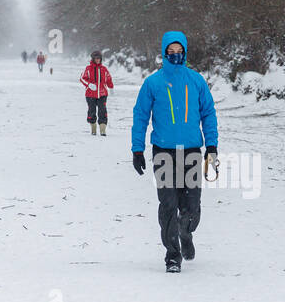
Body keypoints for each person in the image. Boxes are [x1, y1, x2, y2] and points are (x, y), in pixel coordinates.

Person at [131, 31, 218, 273]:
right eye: (171, 51)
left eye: (180, 51)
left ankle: (186, 232)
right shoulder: (153, 83)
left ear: (186, 52)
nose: (176, 55)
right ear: (164, 52)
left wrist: (211, 146)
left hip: (191, 151)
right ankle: (172, 255)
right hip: (163, 153)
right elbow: (140, 117)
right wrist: (137, 149)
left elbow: (209, 114)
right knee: (168, 204)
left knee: (192, 205)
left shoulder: (196, 81)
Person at [80, 49, 114, 135]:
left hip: (102, 94)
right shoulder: (88, 69)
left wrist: (111, 87)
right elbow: (82, 78)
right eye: (96, 58)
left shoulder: (104, 69)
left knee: (102, 110)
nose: (98, 60)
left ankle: (102, 129)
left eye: (99, 58)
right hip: (90, 94)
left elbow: (109, 79)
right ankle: (93, 127)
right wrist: (89, 84)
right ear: (93, 59)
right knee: (92, 111)